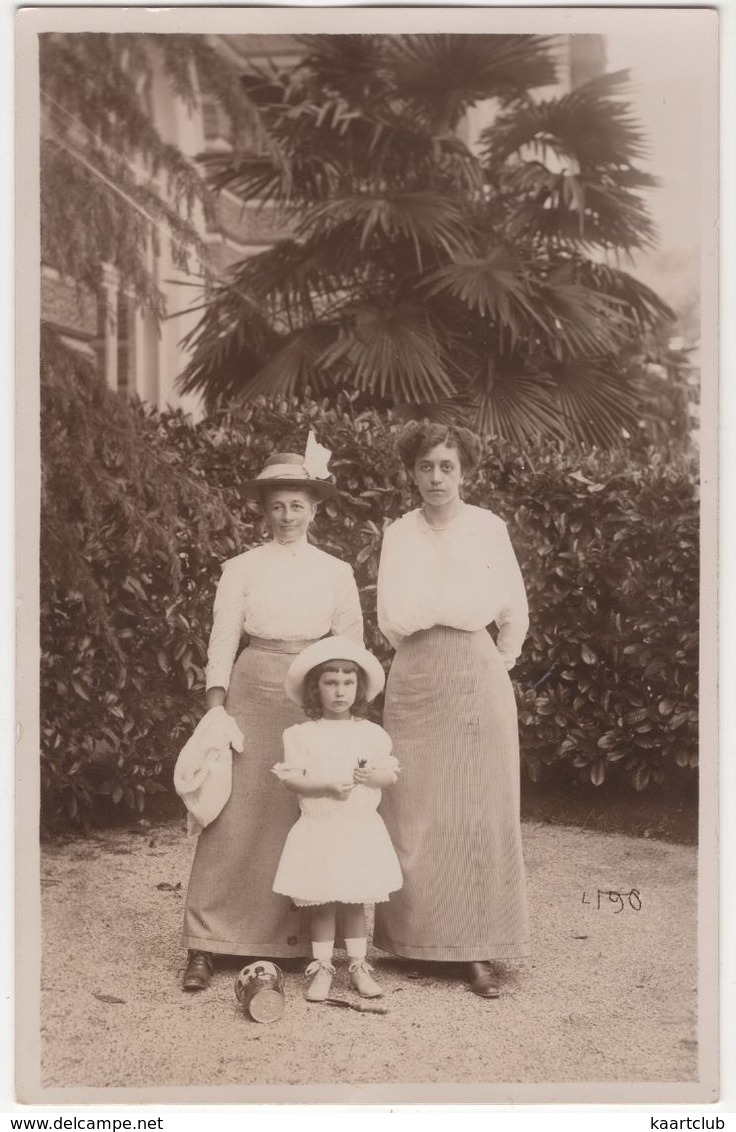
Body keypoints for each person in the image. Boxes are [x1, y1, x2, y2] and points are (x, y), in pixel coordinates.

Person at [180, 437, 364, 991]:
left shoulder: (336, 570)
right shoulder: (240, 567)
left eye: (298, 505)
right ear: (264, 510)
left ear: (316, 508)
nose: (287, 516)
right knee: (234, 811)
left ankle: (301, 943)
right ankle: (207, 941)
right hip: (253, 686)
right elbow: (220, 643)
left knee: (302, 811)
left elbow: (349, 647)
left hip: (311, 691)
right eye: (278, 505)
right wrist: (216, 711)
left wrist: (339, 711)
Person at [373, 421, 530, 999]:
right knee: (414, 807)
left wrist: (493, 663)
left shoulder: (488, 528)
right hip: (415, 670)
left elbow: (513, 606)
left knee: (479, 808)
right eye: (425, 467)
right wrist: (425, 655)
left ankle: (478, 950)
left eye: (447, 466)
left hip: (476, 668)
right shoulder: (399, 533)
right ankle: (414, 939)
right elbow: (391, 614)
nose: (436, 478)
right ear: (411, 472)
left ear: (465, 471)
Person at [271, 636, 402, 1002]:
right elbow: (291, 778)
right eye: (330, 683)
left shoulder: (371, 734)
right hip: (321, 828)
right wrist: (326, 785)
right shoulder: (301, 735)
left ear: (358, 688)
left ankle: (359, 966)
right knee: (324, 900)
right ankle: (324, 968)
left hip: (358, 829)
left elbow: (389, 774)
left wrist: (371, 777)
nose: (340, 691)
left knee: (355, 900)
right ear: (316, 688)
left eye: (348, 683)